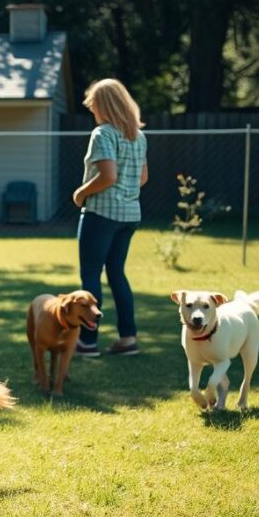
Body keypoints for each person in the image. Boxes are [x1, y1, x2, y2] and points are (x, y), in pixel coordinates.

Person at [72, 78, 148, 357]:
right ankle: (128, 339)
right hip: (129, 215)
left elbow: (108, 176)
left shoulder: (103, 133)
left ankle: (88, 342)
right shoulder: (138, 137)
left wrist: (80, 193)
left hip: (101, 213)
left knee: (91, 274)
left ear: (103, 106)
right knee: (117, 274)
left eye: (93, 106)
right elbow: (142, 178)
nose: (93, 112)